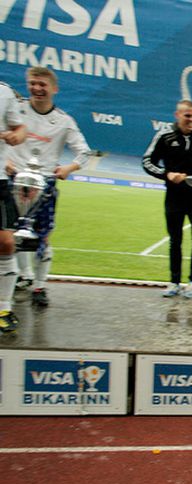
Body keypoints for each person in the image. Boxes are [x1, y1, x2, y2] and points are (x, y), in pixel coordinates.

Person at [6, 67, 91, 307]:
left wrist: (68, 168)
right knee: (9, 238)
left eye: (42, 84)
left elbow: (83, 151)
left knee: (42, 238)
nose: (36, 88)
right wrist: (6, 161)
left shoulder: (64, 121)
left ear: (54, 89)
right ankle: (15, 283)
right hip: (13, 182)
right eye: (33, 83)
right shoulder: (16, 112)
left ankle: (39, 287)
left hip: (44, 186)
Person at [142, 100, 192, 299]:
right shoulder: (165, 136)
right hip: (174, 198)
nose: (191, 120)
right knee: (175, 241)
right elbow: (147, 161)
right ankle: (174, 282)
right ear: (178, 115)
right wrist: (166, 174)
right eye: (187, 116)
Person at [0, 81, 26, 332]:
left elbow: (20, 130)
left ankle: (4, 307)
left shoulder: (5, 92)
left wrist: (15, 136)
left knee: (6, 241)